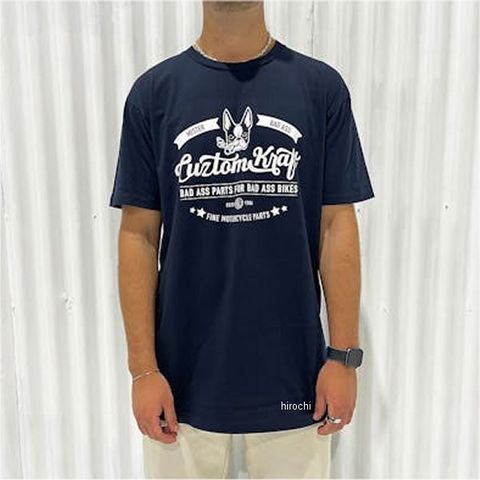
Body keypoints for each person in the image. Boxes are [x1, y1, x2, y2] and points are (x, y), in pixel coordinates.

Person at [109, 1, 374, 477]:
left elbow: (336, 224)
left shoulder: (320, 89)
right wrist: (142, 370)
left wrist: (344, 358)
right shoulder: (154, 94)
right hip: (180, 385)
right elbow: (138, 235)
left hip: (297, 382)